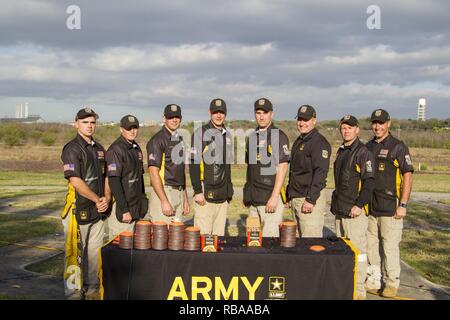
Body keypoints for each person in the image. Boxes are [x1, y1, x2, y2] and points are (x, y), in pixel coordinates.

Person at [61, 107, 111, 300]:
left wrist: (106, 197)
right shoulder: (71, 148)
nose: (89, 126)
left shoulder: (99, 149)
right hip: (77, 210)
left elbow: (107, 176)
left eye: (92, 122)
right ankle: (73, 294)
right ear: (76, 124)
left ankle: (92, 292)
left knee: (94, 254)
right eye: (85, 122)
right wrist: (97, 199)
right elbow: (75, 180)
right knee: (75, 255)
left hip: (98, 210)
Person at [365, 109, 414, 298]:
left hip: (391, 207)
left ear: (389, 124)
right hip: (371, 206)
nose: (377, 126)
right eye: (375, 123)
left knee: (389, 246)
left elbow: (407, 176)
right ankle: (374, 279)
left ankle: (392, 281)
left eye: (381, 123)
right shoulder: (368, 146)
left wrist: (403, 204)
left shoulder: (398, 147)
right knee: (372, 246)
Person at [331, 115, 375, 300]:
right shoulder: (342, 150)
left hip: (354, 213)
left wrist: (359, 205)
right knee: (343, 252)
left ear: (357, 129)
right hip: (341, 210)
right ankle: (345, 286)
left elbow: (370, 182)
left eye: (350, 127)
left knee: (358, 252)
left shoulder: (363, 152)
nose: (346, 130)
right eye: (343, 128)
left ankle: (358, 290)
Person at [243, 98, 290, 237]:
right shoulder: (252, 137)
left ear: (272, 114)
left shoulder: (278, 136)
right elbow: (251, 169)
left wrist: (275, 197)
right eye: (258, 112)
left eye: (265, 112)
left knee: (270, 243)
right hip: (253, 201)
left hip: (270, 201)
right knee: (253, 243)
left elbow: (282, 168)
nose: (261, 116)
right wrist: (247, 194)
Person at [189, 98, 233, 236]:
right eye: (215, 112)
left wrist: (229, 189)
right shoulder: (200, 133)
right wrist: (197, 191)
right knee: (203, 237)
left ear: (225, 113)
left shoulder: (228, 135)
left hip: (222, 193)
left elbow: (227, 166)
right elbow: (193, 163)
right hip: (205, 192)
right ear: (210, 112)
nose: (219, 115)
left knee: (218, 238)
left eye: (222, 112)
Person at [287, 105, 331, 237]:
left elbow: (320, 173)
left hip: (309, 198)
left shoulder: (319, 142)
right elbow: (294, 171)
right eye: (300, 119)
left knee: (311, 242)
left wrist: (311, 199)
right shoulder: (299, 141)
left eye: (306, 120)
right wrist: (290, 194)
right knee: (300, 242)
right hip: (297, 196)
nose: (302, 123)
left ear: (314, 121)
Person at [106, 115, 148, 240]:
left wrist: (143, 201)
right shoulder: (115, 150)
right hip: (123, 209)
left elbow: (139, 179)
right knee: (120, 249)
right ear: (121, 129)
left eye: (135, 128)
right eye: (129, 128)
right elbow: (114, 181)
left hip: (135, 206)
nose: (132, 131)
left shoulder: (136, 148)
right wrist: (124, 210)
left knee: (131, 249)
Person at [146, 104, 189, 223]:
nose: (174, 120)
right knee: (162, 237)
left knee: (176, 237)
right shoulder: (157, 140)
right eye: (171, 117)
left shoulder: (179, 139)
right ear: (164, 119)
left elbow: (181, 171)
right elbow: (153, 173)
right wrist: (164, 201)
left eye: (177, 117)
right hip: (165, 191)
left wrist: (185, 198)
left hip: (178, 191)